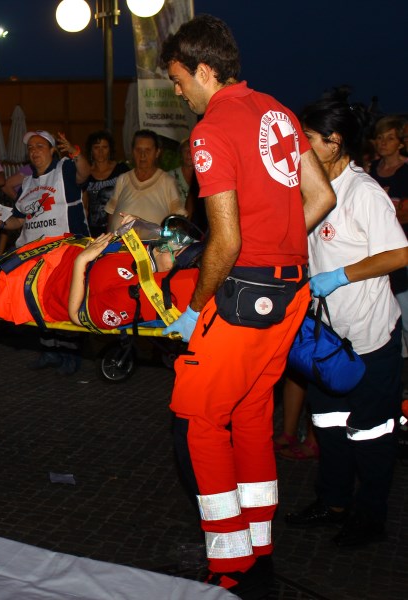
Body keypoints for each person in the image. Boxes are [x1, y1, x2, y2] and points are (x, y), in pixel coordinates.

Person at [158, 15, 336, 596]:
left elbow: (226, 242)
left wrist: (194, 309)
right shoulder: (280, 112)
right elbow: (322, 196)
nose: (176, 91)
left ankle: (231, 561)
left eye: (179, 79)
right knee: (254, 415)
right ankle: (260, 544)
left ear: (205, 70)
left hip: (242, 299)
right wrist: (280, 247)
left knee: (200, 420)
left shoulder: (211, 131)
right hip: (290, 293)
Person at [283, 89, 408, 548]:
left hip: (370, 340)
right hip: (325, 340)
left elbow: (399, 253)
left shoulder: (364, 193)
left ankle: (369, 516)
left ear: (333, 142)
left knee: (370, 433)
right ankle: (332, 503)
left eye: (306, 137)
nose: (297, 146)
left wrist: (340, 275)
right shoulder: (313, 188)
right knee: (329, 426)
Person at [0, 217, 200, 329]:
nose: (164, 247)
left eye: (172, 250)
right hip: (51, 257)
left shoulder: (141, 294)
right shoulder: (146, 258)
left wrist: (83, 262)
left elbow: (81, 316)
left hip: (39, 292)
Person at [0, 129, 91, 374]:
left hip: (65, 249)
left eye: (40, 146)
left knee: (62, 301)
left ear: (51, 150)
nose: (34, 151)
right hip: (35, 254)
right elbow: (19, 219)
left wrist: (75, 152)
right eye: (31, 148)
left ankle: (69, 353)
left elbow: (85, 173)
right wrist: (3, 223)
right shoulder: (27, 183)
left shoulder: (64, 169)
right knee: (38, 301)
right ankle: (49, 350)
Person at [367, 116, 408, 354]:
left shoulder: (404, 171)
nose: (383, 143)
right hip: (377, 247)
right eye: (380, 138)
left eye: (389, 138)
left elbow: (403, 214)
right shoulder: (371, 170)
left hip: (400, 246)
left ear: (400, 143)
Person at [105, 129, 186, 233]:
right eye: (138, 150)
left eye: (148, 150)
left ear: (157, 152)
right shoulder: (123, 179)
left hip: (152, 246)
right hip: (120, 245)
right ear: (133, 151)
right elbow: (111, 212)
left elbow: (178, 218)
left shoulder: (167, 181)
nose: (142, 155)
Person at [82, 130, 130, 236]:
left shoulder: (121, 170)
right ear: (91, 150)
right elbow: (84, 206)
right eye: (96, 147)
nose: (100, 152)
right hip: (94, 230)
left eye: (104, 147)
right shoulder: (85, 174)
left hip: (119, 225)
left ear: (110, 149)